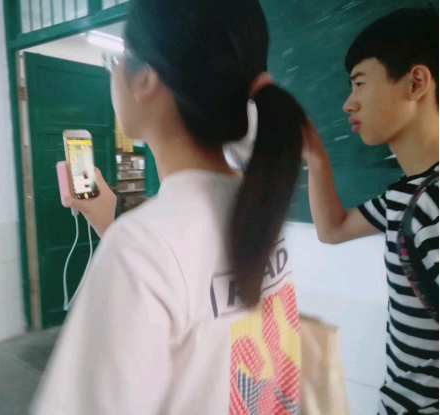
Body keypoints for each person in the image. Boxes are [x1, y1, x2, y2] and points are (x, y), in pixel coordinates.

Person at [30, 0, 310, 413]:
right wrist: (110, 224)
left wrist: (121, 236)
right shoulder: (253, 203)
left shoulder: (139, 247)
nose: (113, 72)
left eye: (116, 59)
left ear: (146, 79)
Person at [303, 8, 439, 414]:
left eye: (360, 83)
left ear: (416, 83)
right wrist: (317, 159)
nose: (348, 103)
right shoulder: (406, 195)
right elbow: (333, 229)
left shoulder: (431, 204)